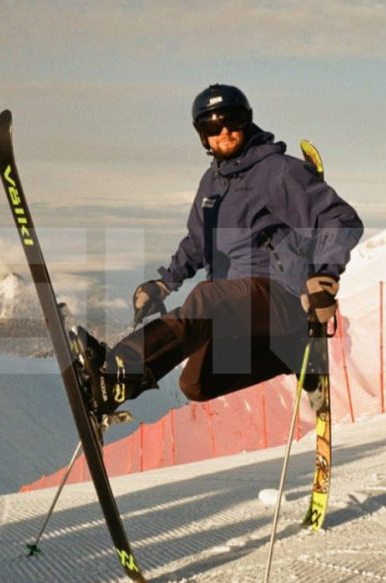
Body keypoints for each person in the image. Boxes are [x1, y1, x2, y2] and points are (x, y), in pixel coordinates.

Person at [79, 83, 363, 420]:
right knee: (195, 384)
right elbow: (197, 242)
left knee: (207, 298)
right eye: (212, 125)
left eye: (232, 120)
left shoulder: (278, 170)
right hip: (237, 311)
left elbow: (340, 219)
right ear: (202, 135)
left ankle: (118, 373)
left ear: (247, 120)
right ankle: (292, 354)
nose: (224, 131)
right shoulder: (211, 183)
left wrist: (325, 275)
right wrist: (164, 283)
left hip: (281, 296)